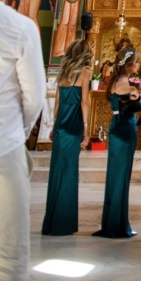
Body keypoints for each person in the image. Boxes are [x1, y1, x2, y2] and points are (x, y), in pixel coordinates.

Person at [0, 0, 45, 281]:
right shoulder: (21, 26)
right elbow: (34, 96)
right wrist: (19, 132)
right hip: (4, 146)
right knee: (8, 256)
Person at [42, 36, 92, 235]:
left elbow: (56, 103)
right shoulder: (85, 73)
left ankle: (51, 222)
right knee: (70, 171)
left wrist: (54, 125)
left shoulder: (63, 74)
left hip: (61, 124)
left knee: (57, 171)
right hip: (74, 124)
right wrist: (86, 127)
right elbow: (84, 102)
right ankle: (63, 223)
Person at [93, 48, 141, 239]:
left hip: (120, 126)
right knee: (120, 176)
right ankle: (116, 226)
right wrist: (134, 90)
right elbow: (121, 90)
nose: (138, 65)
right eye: (136, 62)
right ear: (128, 65)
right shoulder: (122, 81)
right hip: (123, 129)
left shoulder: (118, 79)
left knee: (118, 175)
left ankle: (115, 222)